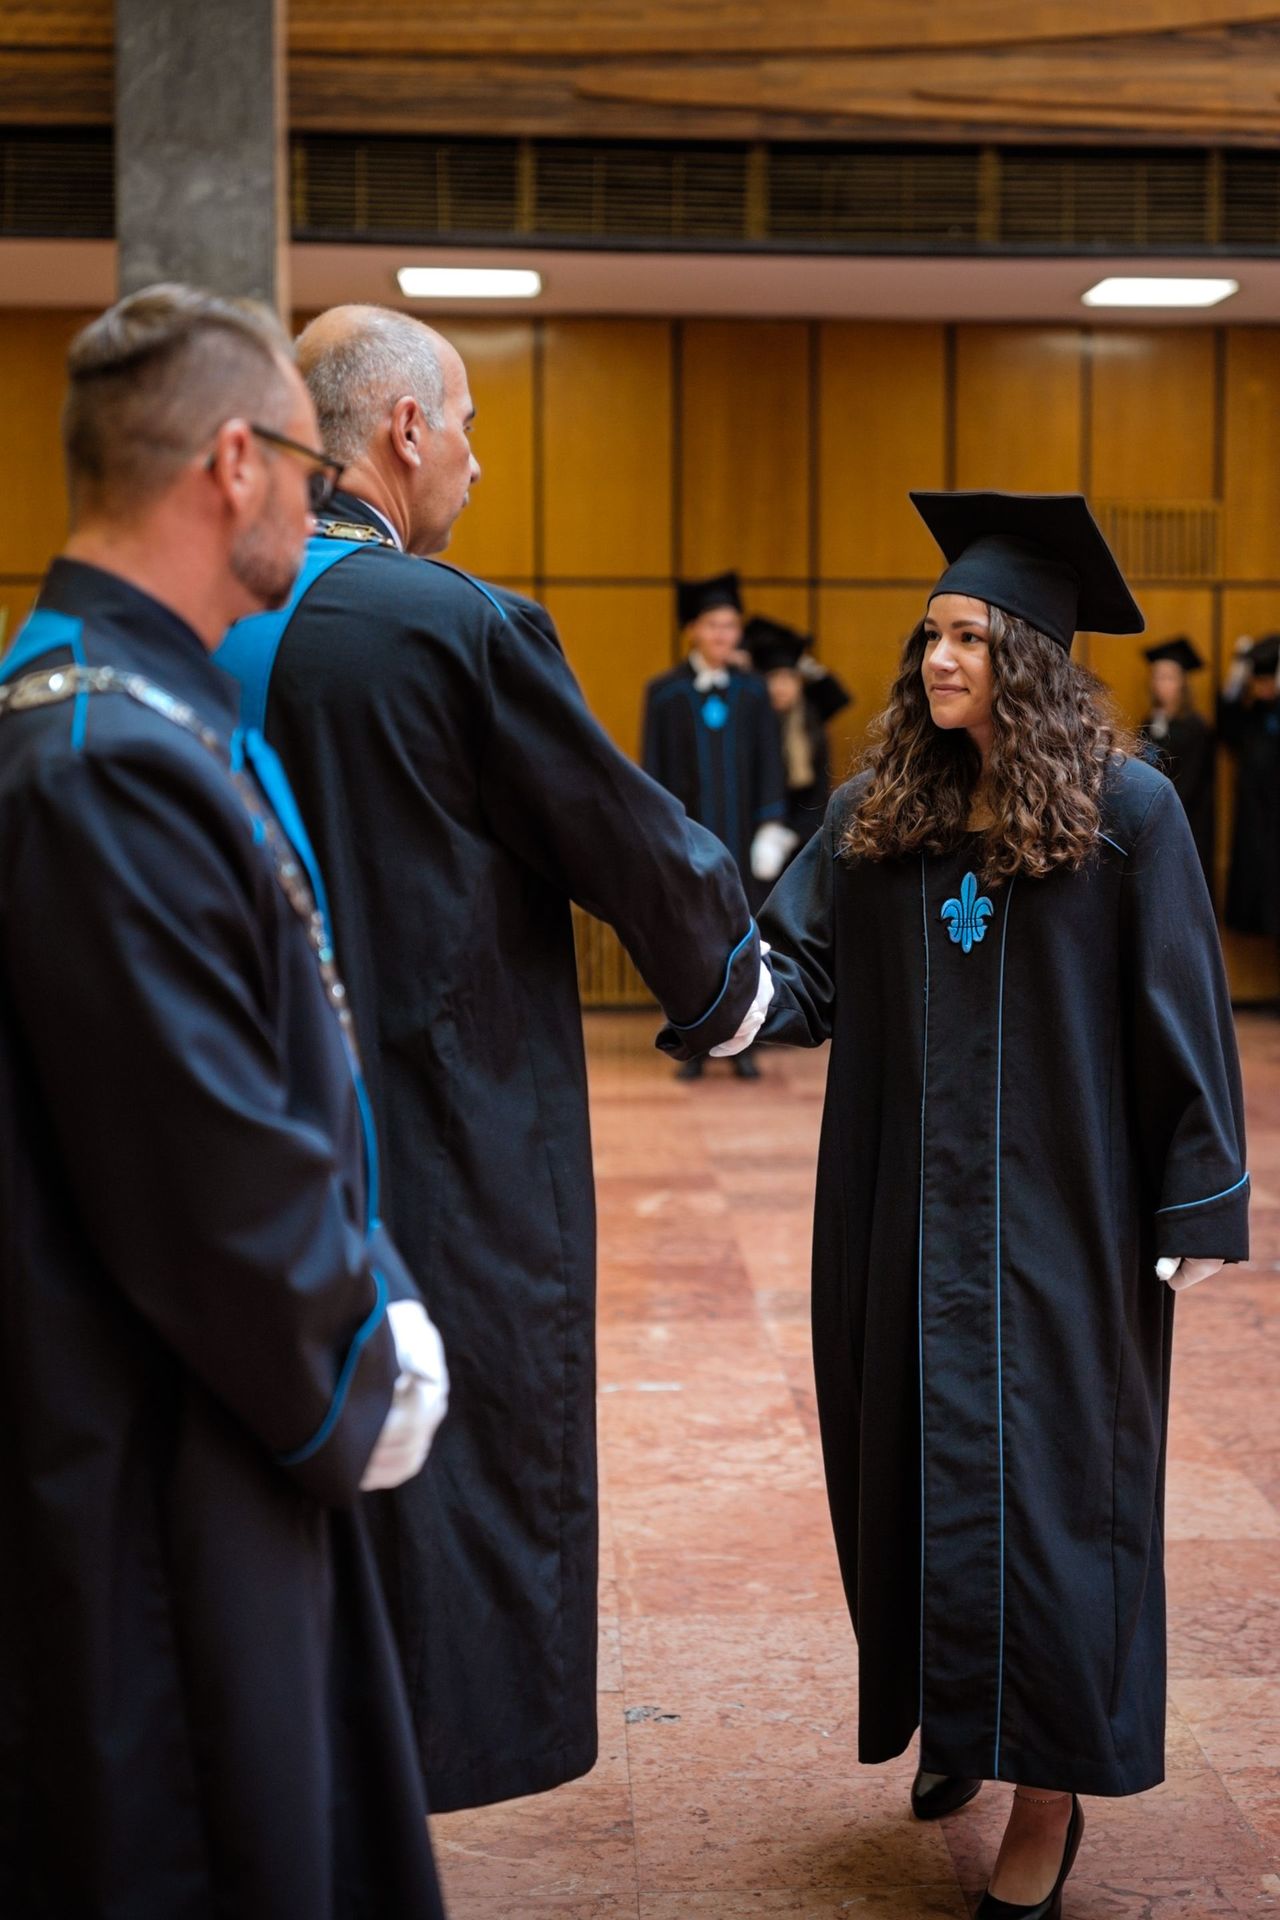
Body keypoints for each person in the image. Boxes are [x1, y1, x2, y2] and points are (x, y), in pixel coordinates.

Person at [217, 305, 769, 1814]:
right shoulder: (453, 624)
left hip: (239, 1125)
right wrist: (736, 988)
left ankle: (284, 1767)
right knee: (449, 1434)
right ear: (404, 429)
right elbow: (622, 839)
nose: (475, 458)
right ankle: (422, 1771)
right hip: (437, 1124)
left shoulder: (210, 620)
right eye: (464, 423)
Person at [667, 491, 1248, 1919]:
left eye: (972, 639)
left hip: (1064, 1225)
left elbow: (1182, 1009)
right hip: (902, 1217)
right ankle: (958, 1718)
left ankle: (1046, 1793)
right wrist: (713, 982)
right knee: (912, 1474)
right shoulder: (878, 816)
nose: (939, 659)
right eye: (931, 634)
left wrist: (1196, 1201)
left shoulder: (1126, 816)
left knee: (1056, 1497)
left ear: (1031, 658)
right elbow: (797, 972)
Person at [0, 287, 450, 1917]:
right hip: (159, 1458)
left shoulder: (134, 702)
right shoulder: (101, 754)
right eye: (310, 466)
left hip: (202, 1416)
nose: (322, 500)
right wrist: (363, 1349)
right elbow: (203, 1166)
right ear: (231, 463)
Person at [642, 572, 790, 1078]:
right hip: (688, 844)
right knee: (688, 941)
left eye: (731, 626)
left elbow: (770, 761)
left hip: (742, 843)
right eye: (714, 625)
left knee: (742, 939)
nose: (724, 635)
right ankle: (693, 1043)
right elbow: (653, 770)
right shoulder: (665, 694)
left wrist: (771, 825)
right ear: (693, 631)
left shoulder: (753, 693)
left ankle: (743, 1044)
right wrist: (659, 837)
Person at [743, 613, 852, 858]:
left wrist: (793, 835)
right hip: (756, 834)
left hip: (802, 834)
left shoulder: (810, 718)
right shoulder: (749, 720)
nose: (781, 687)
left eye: (789, 678)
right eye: (773, 678)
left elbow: (838, 696)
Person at [1138, 636, 1215, 895]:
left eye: (1168, 677)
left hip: (1185, 819)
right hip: (1153, 819)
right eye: (1157, 676)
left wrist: (1160, 808)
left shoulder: (1196, 728)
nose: (1161, 684)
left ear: (1182, 682)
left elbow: (1190, 782)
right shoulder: (1149, 723)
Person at [1220, 632, 1280, 940]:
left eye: (1269, 680)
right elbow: (1226, 722)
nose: (1263, 687)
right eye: (1259, 681)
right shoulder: (1250, 716)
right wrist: (1238, 671)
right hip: (1254, 816)